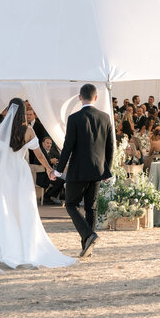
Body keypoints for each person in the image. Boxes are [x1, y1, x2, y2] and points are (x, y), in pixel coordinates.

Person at [0, 99, 75, 275]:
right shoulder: (28, 131)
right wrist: (50, 169)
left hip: (4, 174)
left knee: (5, 210)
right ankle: (26, 249)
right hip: (20, 173)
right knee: (25, 210)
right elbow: (39, 154)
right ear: (23, 113)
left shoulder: (1, 130)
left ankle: (10, 249)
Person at [56, 83, 114, 260]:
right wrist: (107, 170)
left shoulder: (74, 118)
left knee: (71, 204)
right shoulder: (105, 117)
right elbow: (111, 147)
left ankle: (89, 236)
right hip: (98, 170)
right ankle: (87, 245)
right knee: (91, 207)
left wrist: (58, 171)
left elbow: (68, 148)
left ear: (80, 97)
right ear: (95, 98)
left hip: (78, 170)